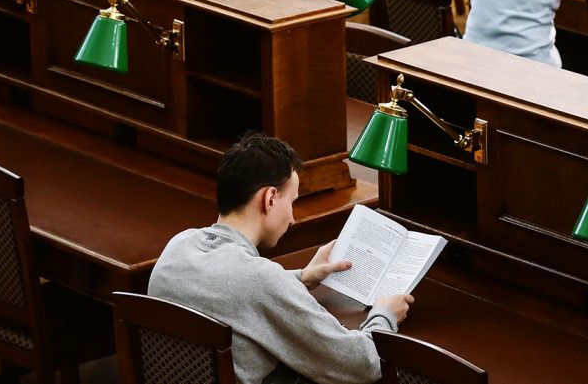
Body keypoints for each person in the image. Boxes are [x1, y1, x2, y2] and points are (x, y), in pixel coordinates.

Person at [148, 132, 413, 384]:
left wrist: (302, 277)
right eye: (292, 202)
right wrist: (384, 315)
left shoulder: (178, 246)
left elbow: (227, 285)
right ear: (270, 198)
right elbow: (363, 365)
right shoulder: (261, 280)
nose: (293, 217)